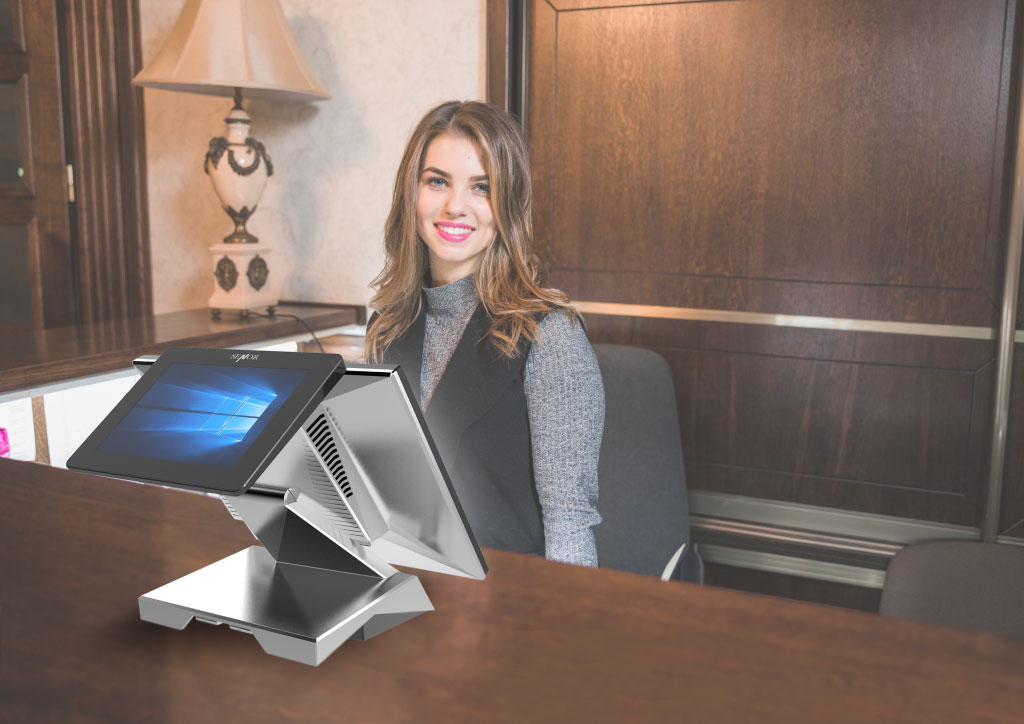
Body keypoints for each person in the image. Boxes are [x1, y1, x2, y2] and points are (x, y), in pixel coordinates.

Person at [365, 100, 604, 566]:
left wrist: (565, 636)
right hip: (409, 585)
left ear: (507, 205)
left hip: (511, 602)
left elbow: (569, 524)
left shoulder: (550, 337)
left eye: (482, 187)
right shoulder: (384, 329)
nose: (455, 205)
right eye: (437, 181)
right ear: (411, 194)